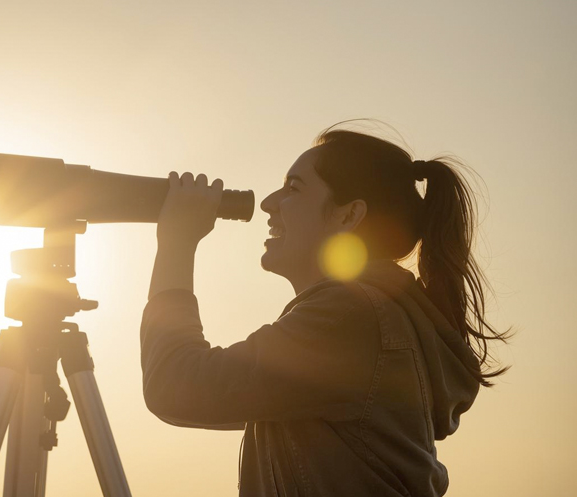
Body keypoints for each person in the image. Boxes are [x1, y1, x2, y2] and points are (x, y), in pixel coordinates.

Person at [139, 122, 511, 496]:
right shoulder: (369, 314)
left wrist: (176, 243)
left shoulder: (348, 317)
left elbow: (174, 384)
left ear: (348, 216)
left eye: (293, 187)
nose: (268, 203)